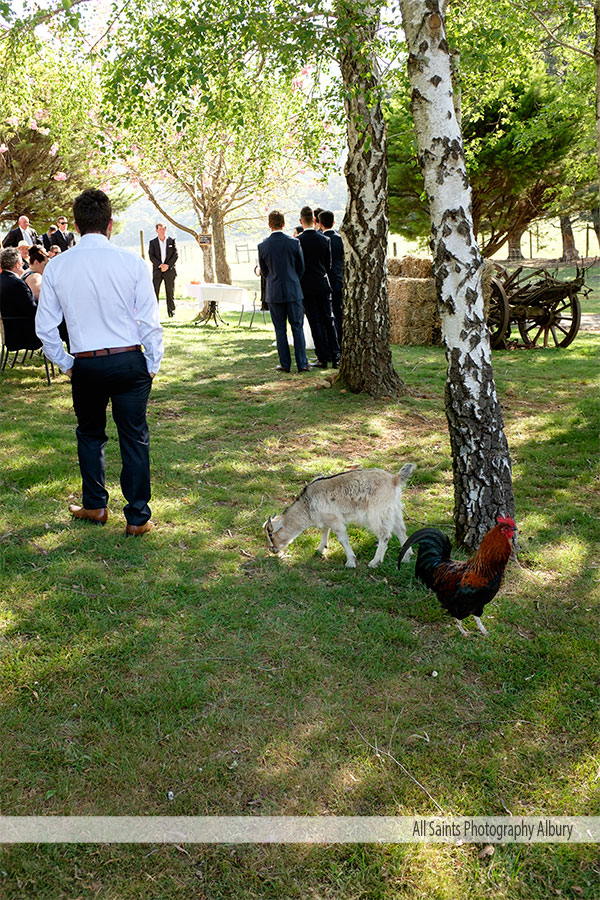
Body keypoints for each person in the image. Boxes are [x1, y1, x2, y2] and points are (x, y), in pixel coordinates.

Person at [36, 188, 164, 536]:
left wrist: (66, 363)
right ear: (110, 224)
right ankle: (137, 519)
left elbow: (45, 327)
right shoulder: (132, 263)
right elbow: (150, 322)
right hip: (128, 362)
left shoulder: (58, 266)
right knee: (134, 439)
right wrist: (152, 363)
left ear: (76, 226)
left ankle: (95, 505)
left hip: (87, 364)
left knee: (90, 435)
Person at [257, 209, 309, 374]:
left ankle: (285, 364)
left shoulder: (263, 245)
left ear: (269, 224)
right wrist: (293, 279)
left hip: (274, 290)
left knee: (280, 329)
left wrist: (273, 280)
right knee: (297, 327)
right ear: (284, 224)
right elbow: (301, 267)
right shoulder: (294, 243)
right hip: (293, 289)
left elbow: (264, 272)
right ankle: (302, 363)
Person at [297, 205, 340, 369]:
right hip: (323, 283)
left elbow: (298, 266)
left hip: (306, 286)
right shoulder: (325, 239)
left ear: (301, 221)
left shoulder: (298, 241)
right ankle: (336, 356)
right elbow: (328, 265)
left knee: (315, 321)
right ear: (314, 220)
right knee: (329, 319)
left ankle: (323, 357)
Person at [0, 247, 41, 351]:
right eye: (22, 263)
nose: (23, 266)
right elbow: (32, 310)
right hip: (24, 334)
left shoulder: (2, 280)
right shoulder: (17, 284)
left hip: (11, 332)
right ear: (17, 264)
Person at [318, 210, 344, 347]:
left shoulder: (320, 240)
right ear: (333, 222)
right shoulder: (341, 239)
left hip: (323, 282)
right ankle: (340, 342)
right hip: (338, 280)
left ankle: (329, 345)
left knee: (326, 316)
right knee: (338, 314)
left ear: (320, 224)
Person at [148, 223, 178, 317]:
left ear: (166, 229)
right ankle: (154, 312)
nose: (162, 230)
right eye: (160, 229)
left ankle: (171, 311)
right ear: (156, 230)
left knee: (170, 291)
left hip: (169, 270)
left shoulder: (171, 241)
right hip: (157, 270)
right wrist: (160, 265)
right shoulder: (153, 242)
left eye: (163, 229)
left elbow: (175, 255)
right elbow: (151, 256)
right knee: (155, 291)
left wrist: (167, 265)